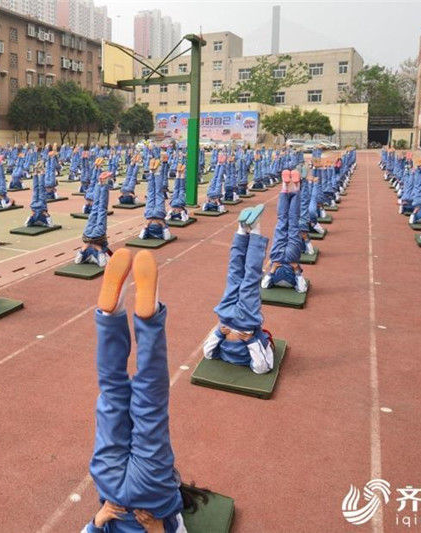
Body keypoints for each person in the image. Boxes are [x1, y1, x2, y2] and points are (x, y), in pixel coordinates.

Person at [84, 248, 209, 533]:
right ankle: (110, 315)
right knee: (112, 392)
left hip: (150, 493)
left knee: (149, 402)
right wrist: (96, 523)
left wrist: (98, 523)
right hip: (111, 485)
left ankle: (148, 317)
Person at [202, 205, 276, 374]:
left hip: (238, 321)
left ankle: (252, 228)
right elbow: (208, 352)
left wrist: (221, 334)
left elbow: (261, 368)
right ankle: (242, 229)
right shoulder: (226, 353)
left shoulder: (249, 350)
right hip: (231, 319)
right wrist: (249, 341)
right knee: (234, 273)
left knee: (250, 276)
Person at [261, 170, 308, 293]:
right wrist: (296, 268)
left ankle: (293, 186)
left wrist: (273, 268)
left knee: (291, 222)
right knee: (284, 221)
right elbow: (264, 284)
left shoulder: (286, 282)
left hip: (279, 259)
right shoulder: (282, 281)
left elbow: (265, 285)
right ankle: (286, 185)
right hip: (286, 259)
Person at [75, 171, 111, 267]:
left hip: (95, 236)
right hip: (88, 235)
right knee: (96, 208)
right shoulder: (92, 252)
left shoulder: (97, 252)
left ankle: (102, 184)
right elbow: (77, 260)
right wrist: (92, 246)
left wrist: (93, 246)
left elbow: (103, 263)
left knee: (100, 208)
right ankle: (100, 184)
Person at [139, 159, 172, 241]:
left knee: (158, 192)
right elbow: (141, 236)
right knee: (151, 192)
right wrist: (147, 225)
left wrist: (162, 225)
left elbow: (167, 237)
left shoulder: (161, 235)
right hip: (150, 215)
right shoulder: (148, 234)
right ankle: (151, 171)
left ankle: (155, 171)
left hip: (157, 215)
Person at [25, 162, 53, 227]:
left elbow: (51, 224)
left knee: (41, 188)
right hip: (34, 206)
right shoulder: (35, 220)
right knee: (36, 189)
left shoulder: (41, 220)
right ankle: (36, 172)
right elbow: (26, 223)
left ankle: (41, 172)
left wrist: (47, 215)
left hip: (40, 207)